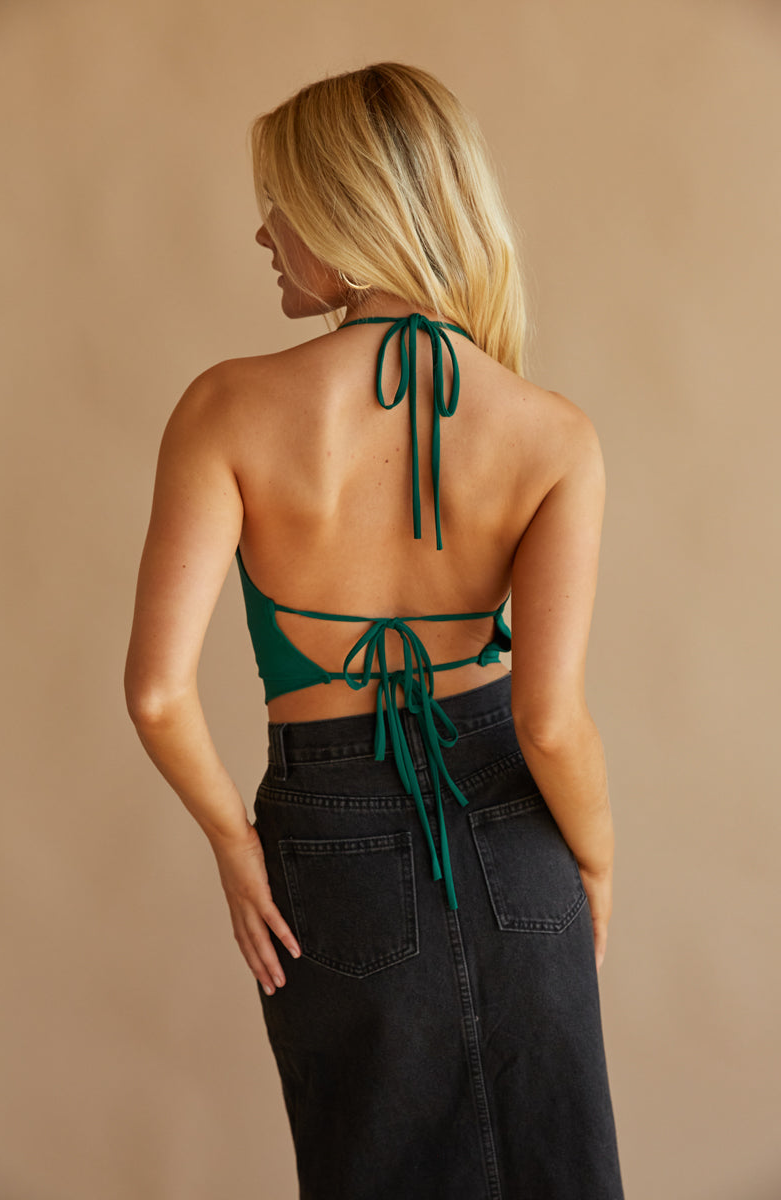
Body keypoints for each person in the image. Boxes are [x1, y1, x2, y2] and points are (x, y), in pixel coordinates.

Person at [125, 62, 624, 1200]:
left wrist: (234, 844)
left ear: (349, 214)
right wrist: (591, 859)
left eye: (281, 204)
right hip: (518, 834)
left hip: (326, 832)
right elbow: (549, 721)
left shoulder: (225, 406)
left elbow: (157, 694)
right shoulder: (553, 434)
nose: (264, 233)